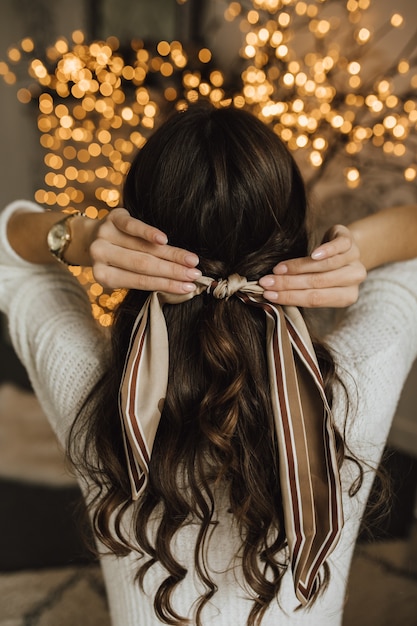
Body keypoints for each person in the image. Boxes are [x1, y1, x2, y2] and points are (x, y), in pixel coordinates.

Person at [1, 104, 417, 626]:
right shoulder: (359, 378)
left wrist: (79, 236)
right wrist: (356, 248)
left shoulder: (90, 385)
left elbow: (9, 256)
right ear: (291, 237)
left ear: (136, 240)